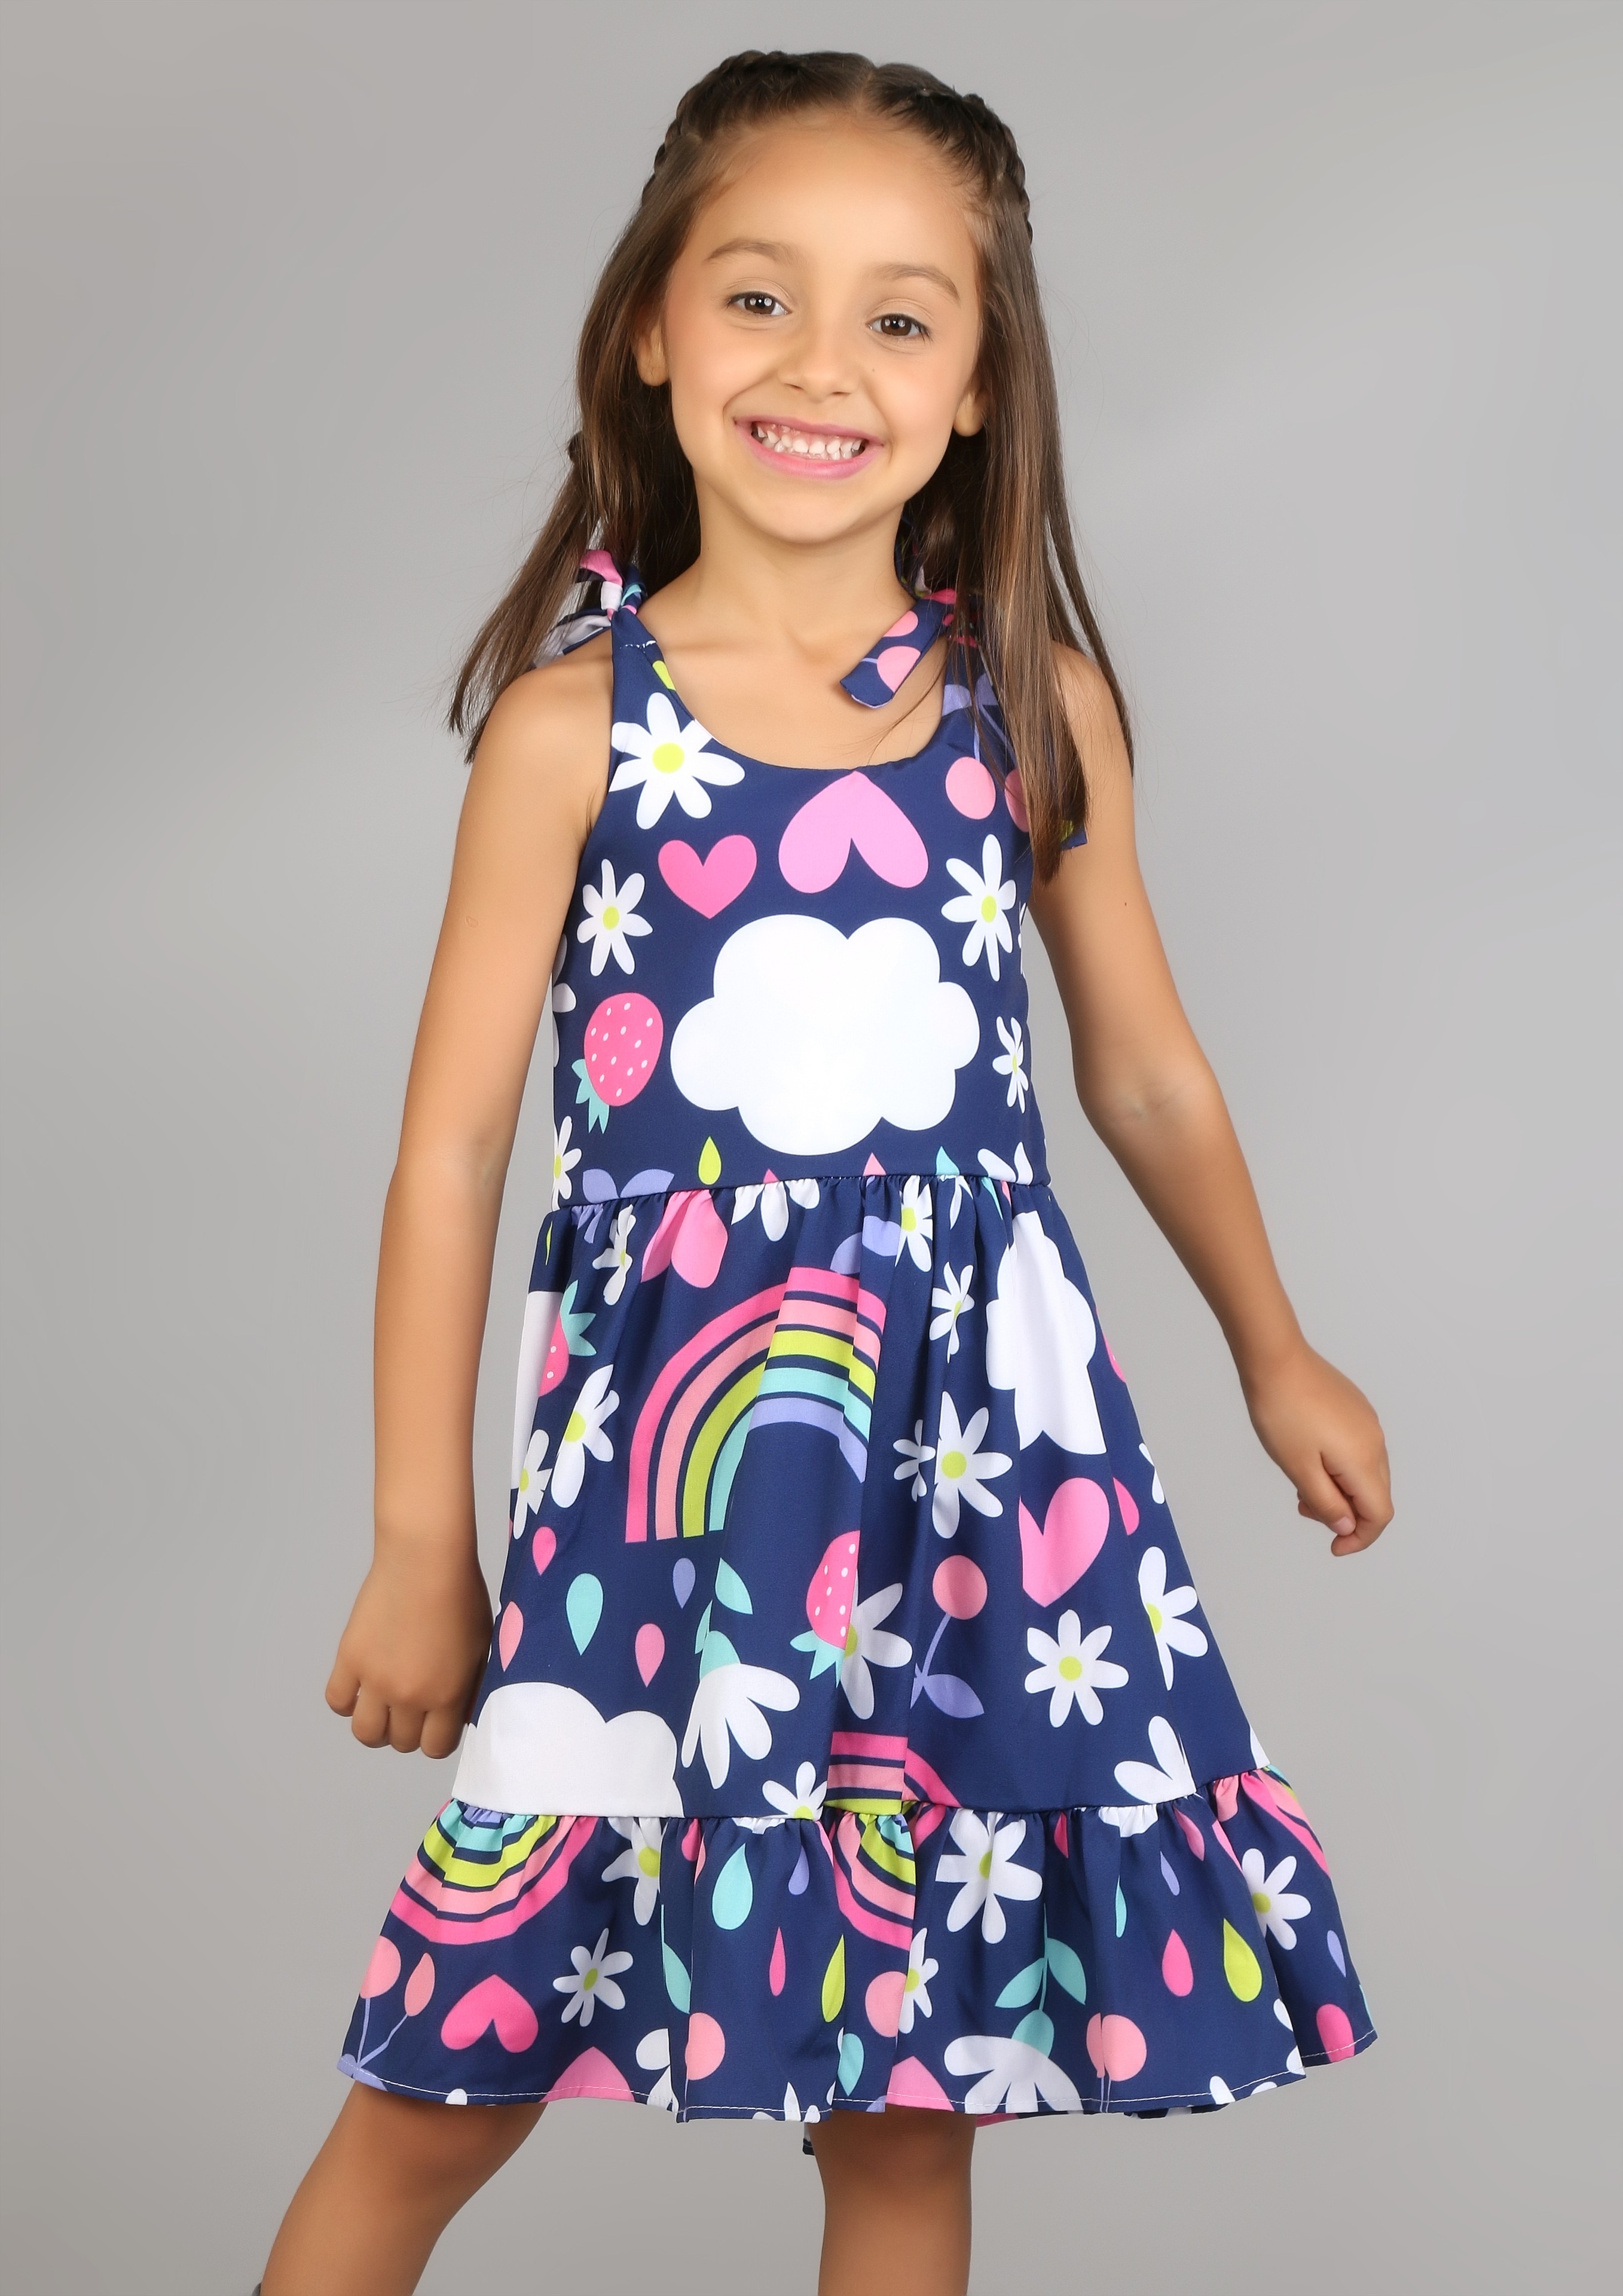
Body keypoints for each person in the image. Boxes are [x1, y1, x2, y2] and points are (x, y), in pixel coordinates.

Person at [260, 49, 1391, 2296]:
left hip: (967, 1486)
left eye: (898, 318)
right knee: (439, 2088)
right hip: (668, 1495)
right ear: (650, 331)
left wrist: (1276, 1350)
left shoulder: (1024, 706)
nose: (819, 366)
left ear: (976, 389)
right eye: (759, 296)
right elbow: (451, 1152)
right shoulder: (575, 729)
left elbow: (1142, 1075)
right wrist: (416, 1539)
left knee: (907, 2104)